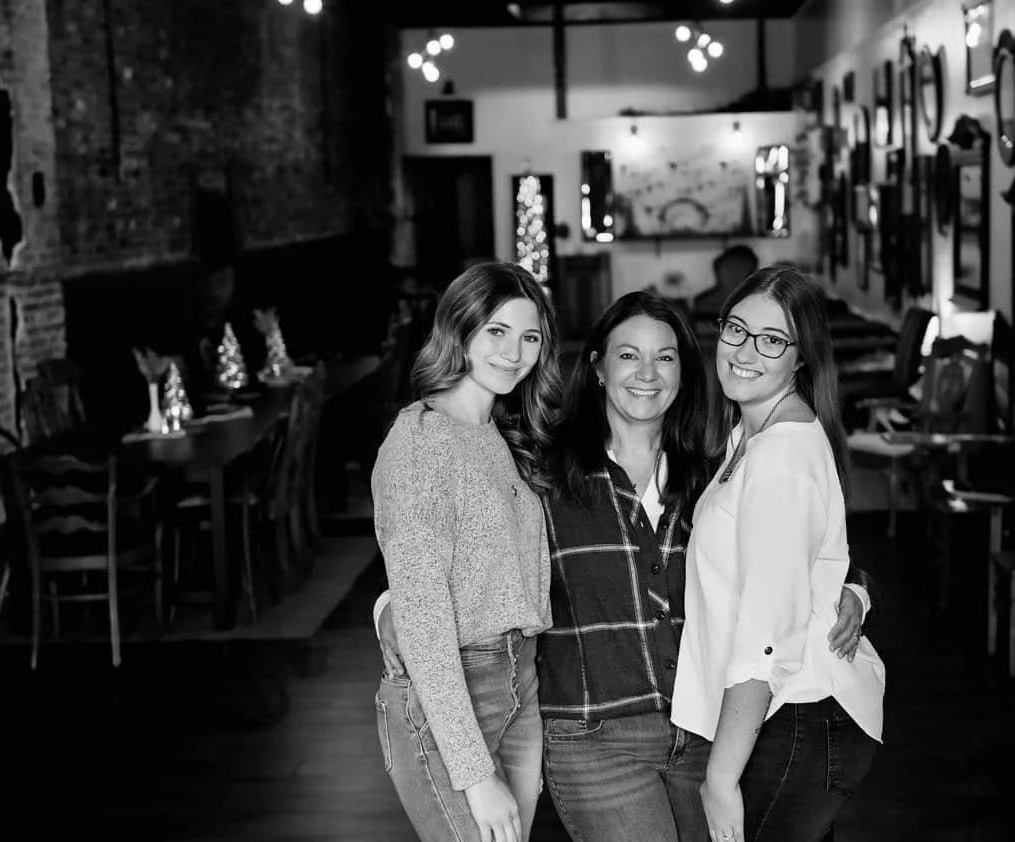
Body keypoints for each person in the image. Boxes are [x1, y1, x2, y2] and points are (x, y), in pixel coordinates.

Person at [377, 290, 874, 841]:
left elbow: (798, 544)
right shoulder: (542, 471)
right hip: (595, 736)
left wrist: (854, 588)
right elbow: (450, 553)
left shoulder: (715, 473)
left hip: (702, 734)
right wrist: (388, 607)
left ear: (684, 373)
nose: (647, 373)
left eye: (665, 357)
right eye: (628, 355)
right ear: (596, 367)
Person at [671, 265, 885, 842]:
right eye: (736, 329)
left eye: (772, 340)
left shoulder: (779, 459)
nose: (745, 351)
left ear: (802, 358)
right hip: (784, 717)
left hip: (795, 717)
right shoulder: (751, 435)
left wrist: (719, 780)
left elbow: (765, 636)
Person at [370, 262, 562, 842]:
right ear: (460, 331)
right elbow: (425, 623)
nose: (515, 352)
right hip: (451, 690)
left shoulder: (498, 432)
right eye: (496, 332)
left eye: (530, 337)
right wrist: (475, 775)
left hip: (517, 678)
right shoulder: (421, 445)